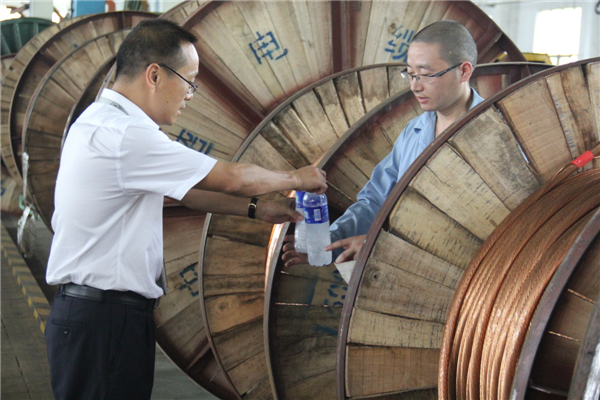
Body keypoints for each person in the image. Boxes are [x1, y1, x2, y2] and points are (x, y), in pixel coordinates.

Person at [44, 19, 327, 400]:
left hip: (95, 316)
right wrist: (296, 178)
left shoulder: (102, 122)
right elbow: (229, 178)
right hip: (104, 319)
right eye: (189, 81)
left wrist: (258, 210)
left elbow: (189, 195)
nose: (191, 95)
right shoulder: (126, 135)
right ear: (154, 75)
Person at [283, 20, 483, 267]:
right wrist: (330, 244)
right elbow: (376, 200)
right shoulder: (414, 131)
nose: (414, 86)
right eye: (410, 74)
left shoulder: (494, 137)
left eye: (426, 74)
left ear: (464, 71)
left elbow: (473, 228)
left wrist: (378, 245)